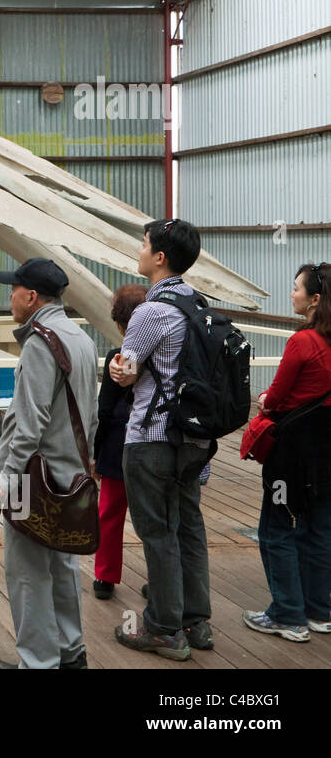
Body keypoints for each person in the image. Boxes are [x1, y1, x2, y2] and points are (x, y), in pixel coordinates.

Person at [0, 258, 98, 670]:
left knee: (28, 575)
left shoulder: (40, 343)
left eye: (14, 289)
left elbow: (28, 424)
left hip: (34, 481)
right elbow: (92, 416)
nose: (10, 296)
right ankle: (71, 653)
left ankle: (37, 662)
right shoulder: (80, 339)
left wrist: (5, 478)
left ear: (31, 297)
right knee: (64, 567)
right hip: (72, 476)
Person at [110, 218, 213, 660]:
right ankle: (196, 621)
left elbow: (127, 371)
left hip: (153, 438)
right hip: (195, 440)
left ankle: (164, 628)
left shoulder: (151, 311)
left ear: (160, 258)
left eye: (144, 244)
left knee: (158, 532)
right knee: (188, 526)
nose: (139, 249)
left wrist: (118, 369)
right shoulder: (201, 305)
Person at [244, 261, 331, 642]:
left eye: (297, 288)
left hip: (292, 455)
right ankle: (319, 612)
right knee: (319, 529)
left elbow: (274, 398)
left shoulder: (302, 341)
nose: (292, 294)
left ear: (314, 299)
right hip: (327, 455)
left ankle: (287, 614)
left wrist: (264, 399)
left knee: (277, 528)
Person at [92, 284, 147, 600]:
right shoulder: (162, 356)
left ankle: (105, 576)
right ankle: (161, 580)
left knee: (109, 513)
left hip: (117, 444)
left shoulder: (119, 358)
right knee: (153, 518)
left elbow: (105, 408)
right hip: (154, 443)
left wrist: (96, 453)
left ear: (119, 323)